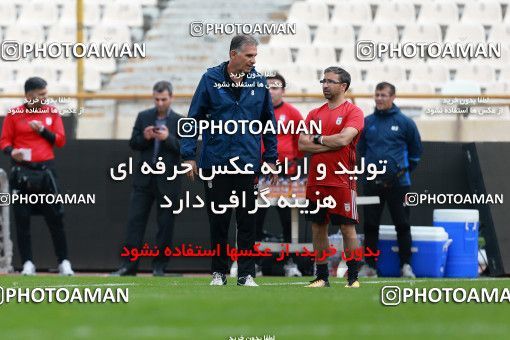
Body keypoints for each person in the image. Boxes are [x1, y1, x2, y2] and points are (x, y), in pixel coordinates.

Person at [180, 35, 278, 287]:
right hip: (216, 161)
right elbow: (193, 118)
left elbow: (269, 122)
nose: (253, 61)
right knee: (219, 220)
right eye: (249, 56)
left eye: (255, 56)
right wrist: (188, 156)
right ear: (233, 54)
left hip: (246, 161)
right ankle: (219, 273)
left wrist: (270, 158)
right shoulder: (210, 79)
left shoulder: (259, 82)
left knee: (247, 220)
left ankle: (246, 274)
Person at [298, 66, 364, 288]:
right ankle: (321, 276)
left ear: (343, 86)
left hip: (342, 180)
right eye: (323, 81)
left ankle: (353, 277)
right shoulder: (314, 114)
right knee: (318, 227)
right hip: (317, 181)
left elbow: (344, 140)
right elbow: (302, 143)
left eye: (330, 81)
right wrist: (329, 141)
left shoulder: (353, 112)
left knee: (347, 228)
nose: (325, 85)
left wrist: (317, 140)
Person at [0, 77, 74, 276]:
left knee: (55, 217)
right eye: (40, 95)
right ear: (29, 95)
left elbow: (60, 141)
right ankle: (28, 264)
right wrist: (11, 152)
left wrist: (42, 130)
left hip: (46, 171)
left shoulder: (51, 112)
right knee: (22, 218)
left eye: (45, 94)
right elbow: (4, 141)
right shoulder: (14, 115)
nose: (44, 98)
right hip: (22, 170)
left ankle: (64, 262)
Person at [111, 81, 183, 277]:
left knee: (165, 224)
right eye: (156, 99)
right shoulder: (144, 117)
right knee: (135, 223)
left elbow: (186, 149)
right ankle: (129, 266)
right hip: (144, 179)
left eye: (163, 99)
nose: (159, 103)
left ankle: (159, 267)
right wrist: (145, 137)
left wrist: (167, 138)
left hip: (168, 181)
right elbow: (134, 143)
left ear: (171, 98)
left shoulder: (180, 121)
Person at [357, 82, 422, 278]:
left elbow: (416, 152)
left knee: (402, 225)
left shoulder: (405, 122)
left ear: (393, 97)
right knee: (370, 226)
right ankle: (370, 266)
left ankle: (406, 266)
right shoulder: (367, 122)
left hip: (399, 185)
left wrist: (400, 172)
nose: (379, 98)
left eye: (383, 95)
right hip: (371, 183)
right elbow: (360, 150)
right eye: (377, 95)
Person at [255, 72, 304, 277]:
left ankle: (290, 262)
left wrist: (290, 161)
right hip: (261, 174)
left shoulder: (292, 113)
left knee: (288, 220)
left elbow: (301, 142)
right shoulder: (254, 112)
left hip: (285, 174)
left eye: (275, 87)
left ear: (283, 90)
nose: (271, 91)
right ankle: (253, 263)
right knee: (255, 218)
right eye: (267, 87)